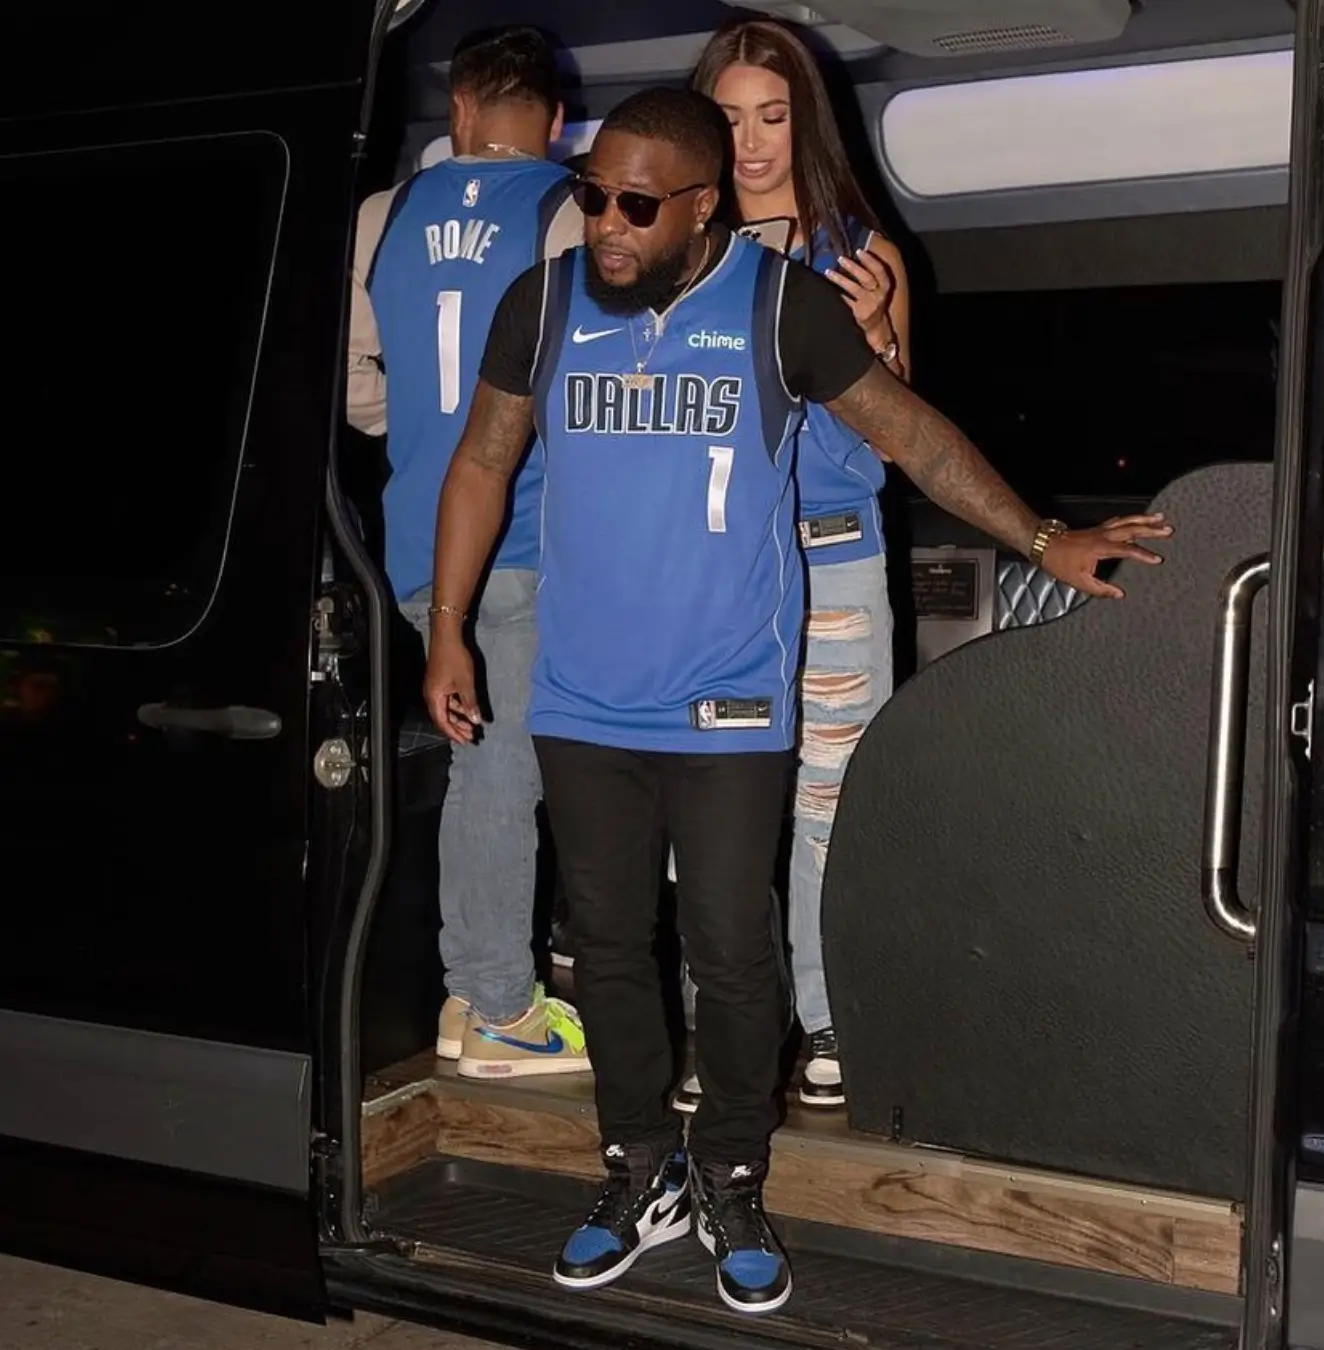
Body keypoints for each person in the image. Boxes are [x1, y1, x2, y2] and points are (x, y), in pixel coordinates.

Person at [421, 86, 1171, 1316]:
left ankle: (727, 1172)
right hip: (580, 698)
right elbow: (483, 461)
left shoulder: (778, 306)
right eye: (591, 197)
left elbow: (910, 435)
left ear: (702, 205)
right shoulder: (545, 302)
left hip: (724, 703)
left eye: (634, 205)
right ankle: (633, 1169)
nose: (603, 224)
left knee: (729, 951)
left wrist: (1041, 537)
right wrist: (449, 634)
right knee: (607, 949)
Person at [676, 16, 910, 1114]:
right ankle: (721, 1024)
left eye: (772, 116)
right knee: (714, 810)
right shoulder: (682, 254)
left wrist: (880, 348)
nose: (752, 143)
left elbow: (903, 440)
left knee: (830, 806)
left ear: (802, 123)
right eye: (728, 119)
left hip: (831, 559)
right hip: (707, 571)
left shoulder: (859, 251)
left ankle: (827, 1018)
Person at [346, 24, 589, 1079]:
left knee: (488, 763)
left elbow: (357, 386)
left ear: (458, 111)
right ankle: (493, 1002)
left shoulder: (378, 214)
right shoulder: (571, 209)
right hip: (530, 533)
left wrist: (416, 432)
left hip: (414, 544)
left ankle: (493, 982)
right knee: (503, 773)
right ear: (554, 120)